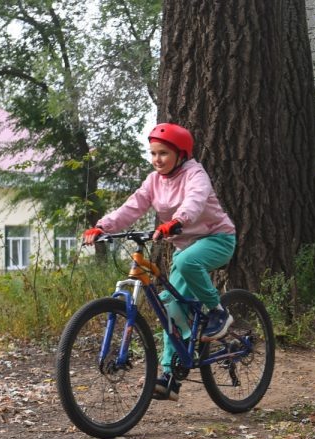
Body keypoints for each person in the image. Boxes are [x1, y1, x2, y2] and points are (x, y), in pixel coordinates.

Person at [83, 123, 236, 402]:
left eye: (163, 153)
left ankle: (218, 312)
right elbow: (132, 206)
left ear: (181, 154)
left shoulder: (195, 174)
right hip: (186, 248)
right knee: (170, 307)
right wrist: (102, 226)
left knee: (186, 261)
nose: (157, 159)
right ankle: (169, 376)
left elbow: (195, 200)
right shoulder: (153, 181)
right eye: (153, 153)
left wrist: (177, 221)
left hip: (217, 238)